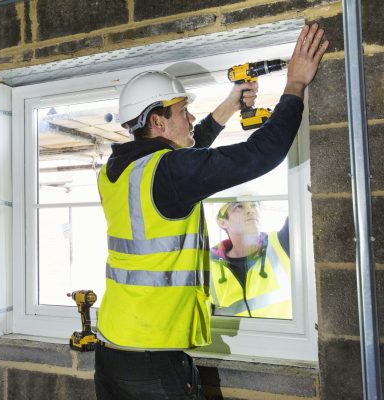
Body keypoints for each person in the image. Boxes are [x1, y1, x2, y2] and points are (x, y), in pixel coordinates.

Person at [94, 23, 328, 400]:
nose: (190, 119)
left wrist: (229, 106)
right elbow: (259, 155)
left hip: (113, 350)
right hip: (153, 359)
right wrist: (295, 85)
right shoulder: (168, 173)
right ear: (157, 121)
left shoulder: (115, 173)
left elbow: (182, 158)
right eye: (183, 112)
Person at [210, 201, 291, 319]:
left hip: (284, 337)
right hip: (236, 337)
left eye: (254, 204)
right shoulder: (207, 267)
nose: (250, 210)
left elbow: (305, 204)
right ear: (222, 222)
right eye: (239, 206)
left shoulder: (280, 243)